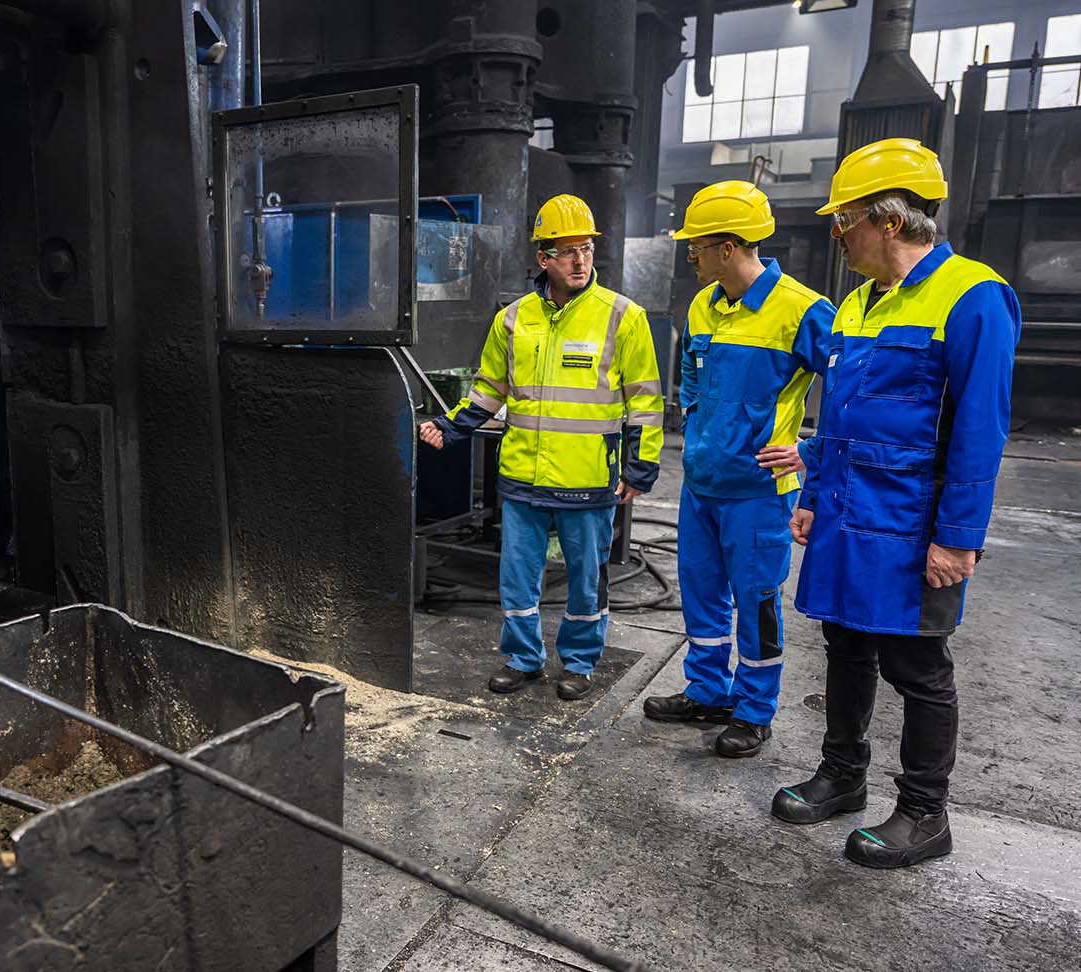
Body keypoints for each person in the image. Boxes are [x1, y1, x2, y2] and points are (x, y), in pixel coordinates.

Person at [771, 138, 1022, 869]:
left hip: (915, 524)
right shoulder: (854, 304)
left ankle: (923, 811)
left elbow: (981, 429)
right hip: (851, 515)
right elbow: (835, 420)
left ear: (886, 219)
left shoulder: (973, 296)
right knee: (845, 647)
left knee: (918, 666)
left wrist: (958, 537)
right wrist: (814, 496)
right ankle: (842, 776)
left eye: (843, 221)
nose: (836, 234)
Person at [419, 194, 664, 701]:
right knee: (517, 580)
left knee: (585, 582)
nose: (580, 260)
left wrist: (640, 468)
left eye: (587, 249)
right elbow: (489, 390)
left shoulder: (624, 317)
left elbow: (645, 402)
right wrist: (454, 426)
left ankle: (578, 662)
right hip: (523, 479)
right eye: (567, 250)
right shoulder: (513, 319)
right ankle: (522, 659)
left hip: (587, 479)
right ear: (543, 258)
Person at [642, 181, 835, 758]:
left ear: (727, 246)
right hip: (701, 482)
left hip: (758, 490)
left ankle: (754, 709)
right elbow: (694, 380)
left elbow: (854, 392)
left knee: (755, 600)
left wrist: (812, 450)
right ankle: (708, 690)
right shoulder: (703, 305)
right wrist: (699, 436)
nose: (689, 254)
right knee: (702, 593)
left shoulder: (803, 309)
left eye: (696, 244)